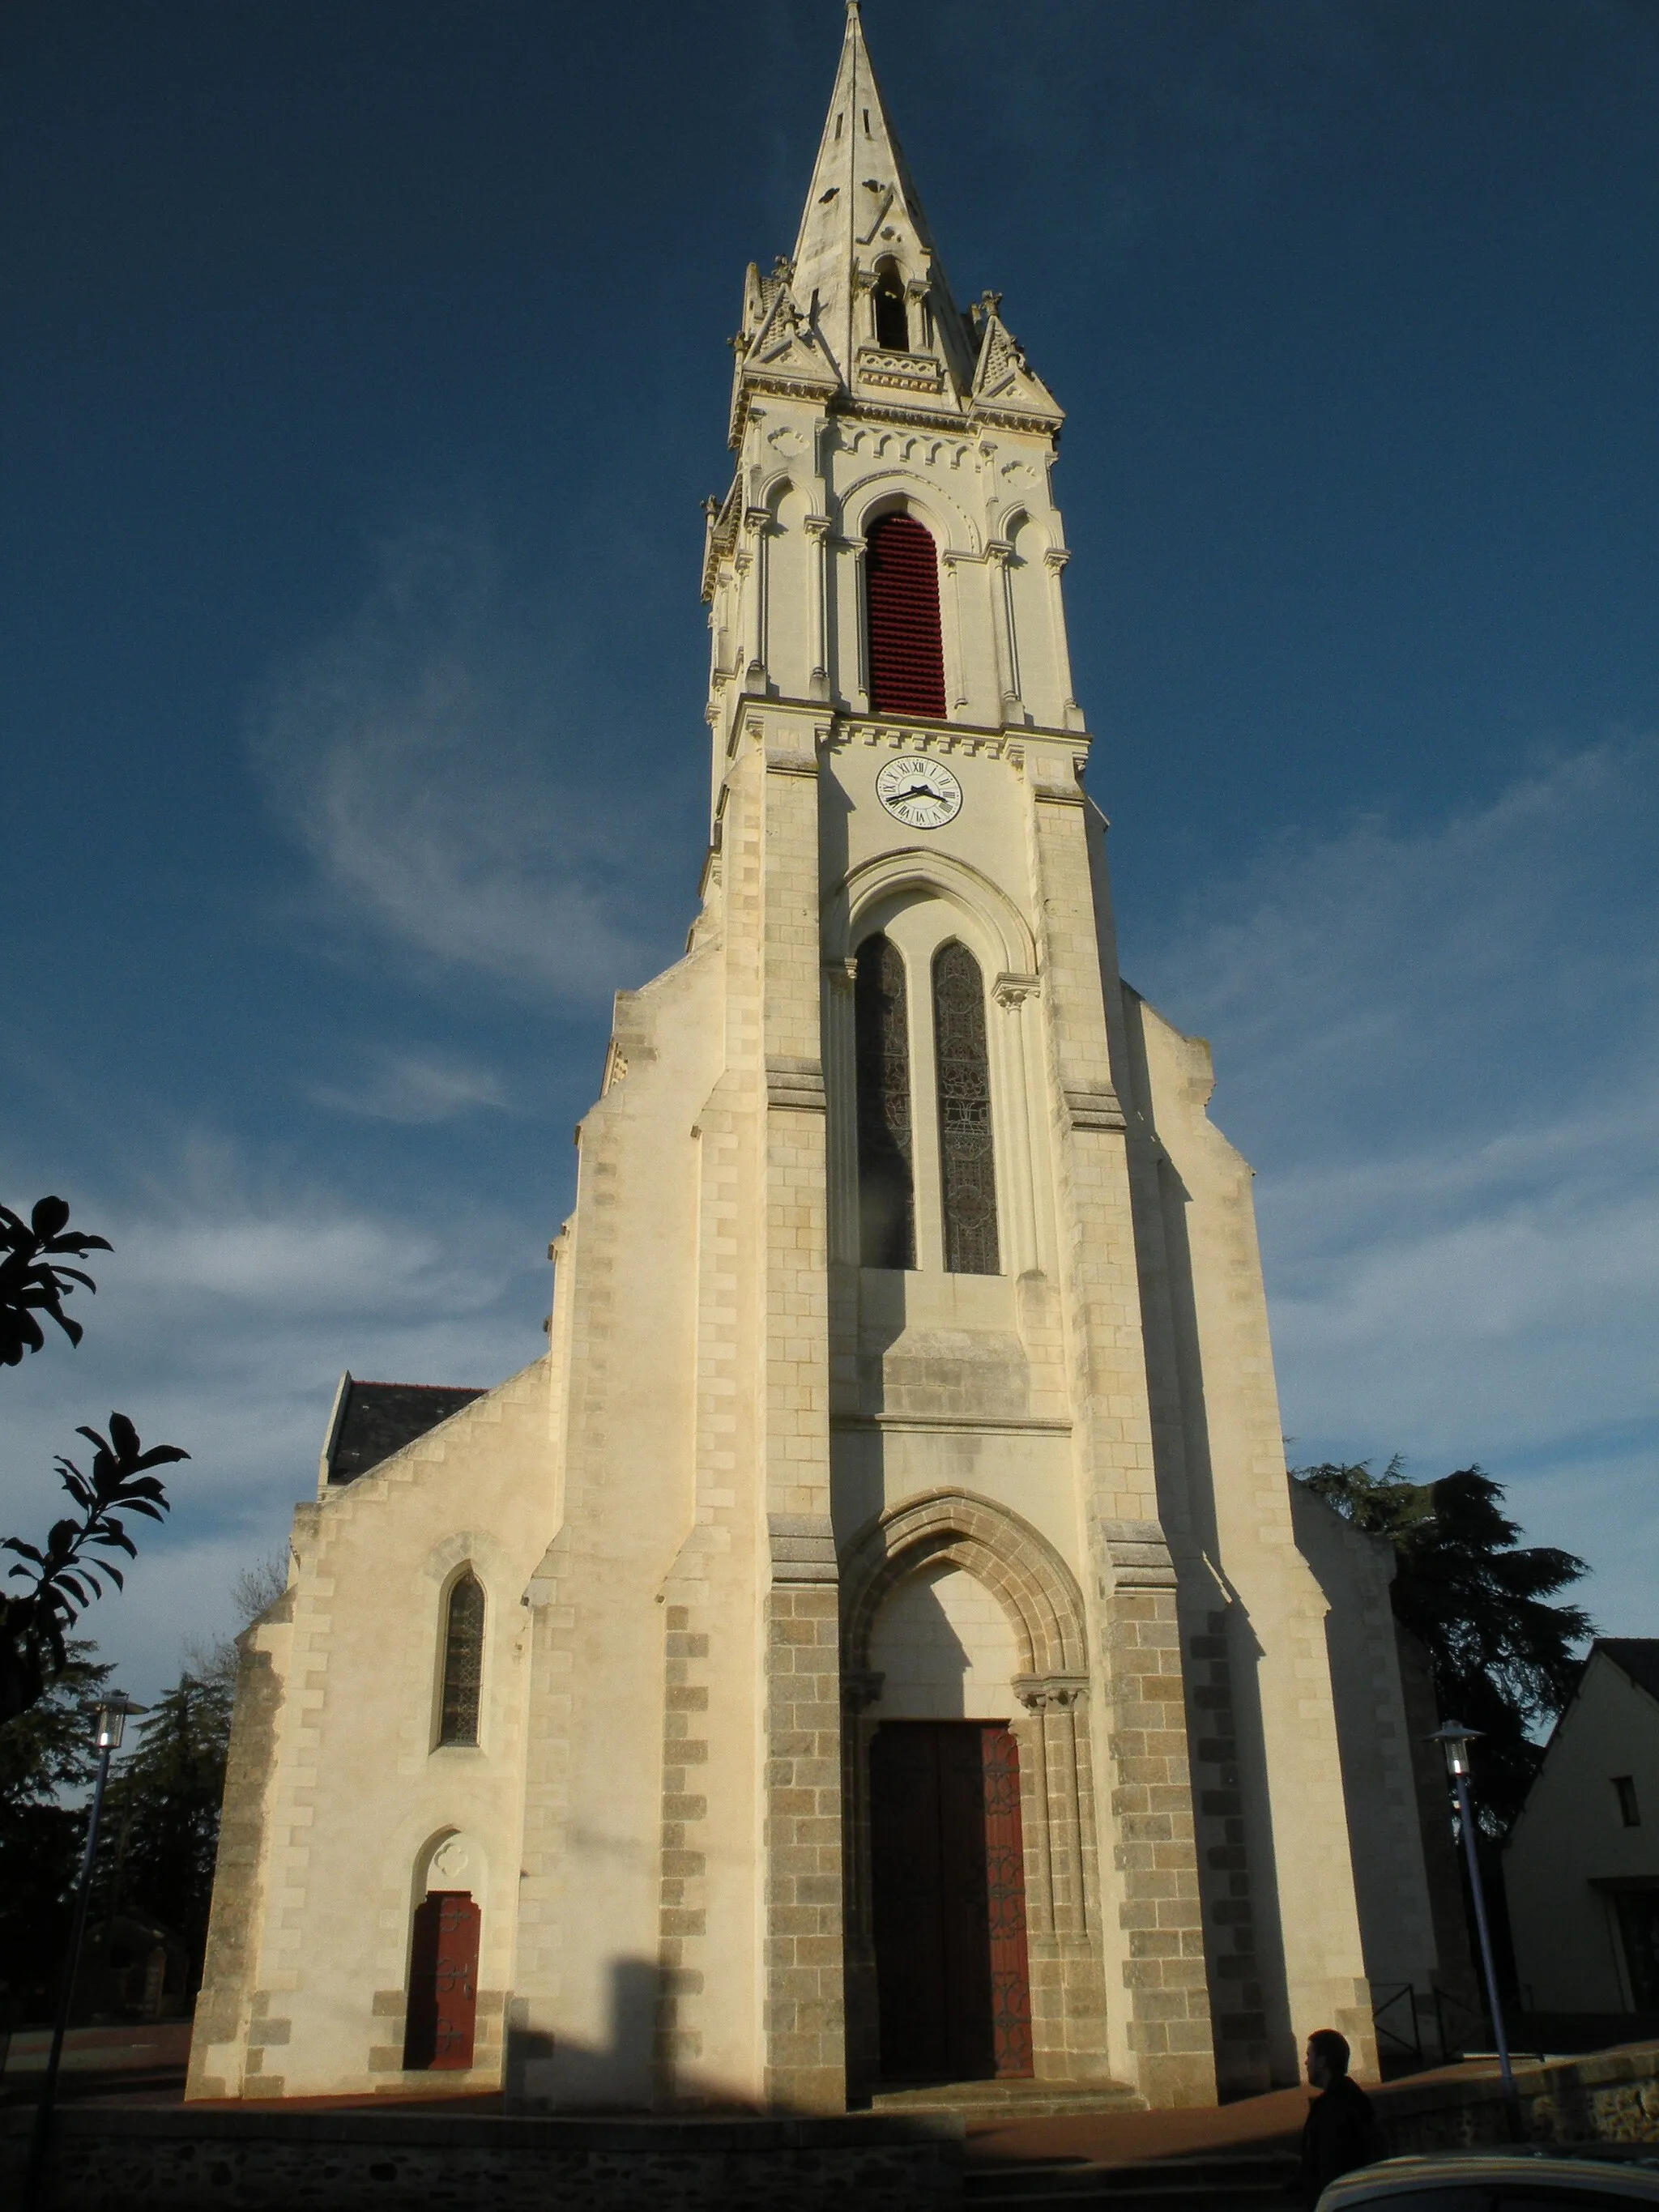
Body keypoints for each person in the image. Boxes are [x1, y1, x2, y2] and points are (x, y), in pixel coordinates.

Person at [1299, 2028, 1388, 2200]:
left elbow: (1331, 2164)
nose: (1306, 2062)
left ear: (1322, 2062)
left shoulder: (1333, 2108)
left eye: (1310, 2055)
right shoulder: (1353, 2098)